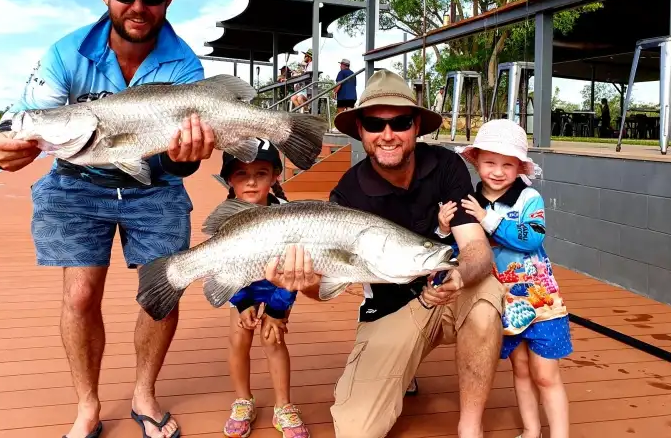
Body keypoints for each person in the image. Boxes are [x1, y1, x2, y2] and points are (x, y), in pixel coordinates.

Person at [0, 0, 214, 438]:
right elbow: (17, 121)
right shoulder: (65, 53)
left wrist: (184, 159)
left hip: (153, 183)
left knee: (163, 293)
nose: (138, 5)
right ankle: (87, 405)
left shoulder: (184, 66)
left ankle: (143, 393)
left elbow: (181, 170)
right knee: (81, 296)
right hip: (75, 179)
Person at [262, 69, 505, 438]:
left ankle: (470, 426)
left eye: (401, 122)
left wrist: (458, 275)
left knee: (485, 295)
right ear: (360, 129)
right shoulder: (347, 195)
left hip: (448, 295)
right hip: (390, 311)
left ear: (416, 126)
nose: (387, 135)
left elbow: (475, 249)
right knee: (356, 431)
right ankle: (400, 367)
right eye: (375, 123)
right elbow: (324, 285)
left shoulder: (446, 166)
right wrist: (302, 282)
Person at [458, 119, 571, 438]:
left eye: (507, 164)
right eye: (490, 162)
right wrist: (442, 228)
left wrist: (488, 219)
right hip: (504, 304)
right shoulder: (471, 200)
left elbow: (532, 237)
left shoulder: (528, 198)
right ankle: (531, 430)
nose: (497, 171)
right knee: (520, 371)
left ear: (519, 166)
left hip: (541, 302)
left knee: (546, 375)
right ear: (476, 160)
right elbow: (462, 247)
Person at [218, 140, 310, 438]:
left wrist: (277, 308)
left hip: (278, 288)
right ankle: (243, 400)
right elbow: (223, 266)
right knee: (238, 338)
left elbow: (294, 269)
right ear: (229, 179)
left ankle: (283, 405)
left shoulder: (287, 213)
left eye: (261, 172)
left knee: (273, 340)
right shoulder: (225, 216)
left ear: (275, 176)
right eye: (241, 174)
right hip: (241, 286)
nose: (252, 181)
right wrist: (242, 302)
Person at [332, 58, 357, 131]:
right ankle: (350, 128)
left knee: (340, 113)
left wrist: (334, 92)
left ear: (343, 65)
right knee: (349, 113)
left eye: (341, 64)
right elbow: (354, 85)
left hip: (343, 96)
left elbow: (339, 84)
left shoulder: (341, 72)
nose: (340, 66)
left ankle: (339, 128)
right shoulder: (353, 73)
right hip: (352, 96)